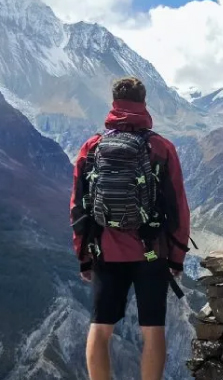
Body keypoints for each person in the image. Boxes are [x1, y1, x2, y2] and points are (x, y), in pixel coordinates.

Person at [69, 76, 192, 380]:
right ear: (144, 103)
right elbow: (178, 207)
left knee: (100, 328)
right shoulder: (161, 148)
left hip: (105, 251)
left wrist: (83, 254)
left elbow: (78, 206)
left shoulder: (92, 147)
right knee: (153, 330)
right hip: (152, 252)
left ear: (113, 104)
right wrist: (176, 257)